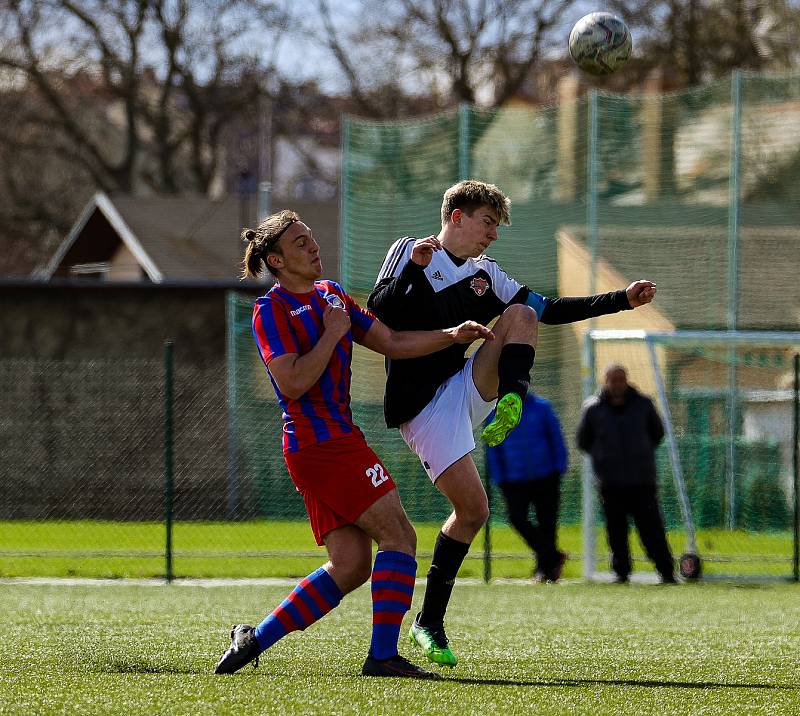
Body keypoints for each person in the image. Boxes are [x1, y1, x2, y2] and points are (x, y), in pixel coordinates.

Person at [367, 179, 657, 667]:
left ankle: (513, 400)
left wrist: (620, 300)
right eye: (487, 223)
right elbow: (379, 314)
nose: (493, 235)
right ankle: (427, 621)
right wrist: (414, 271)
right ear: (456, 217)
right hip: (423, 405)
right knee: (474, 510)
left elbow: (547, 310)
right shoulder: (411, 252)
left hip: (468, 383)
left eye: (497, 227)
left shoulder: (486, 275)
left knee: (521, 313)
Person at [214, 209, 493, 678]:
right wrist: (331, 333)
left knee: (350, 565)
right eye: (300, 243)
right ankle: (382, 656)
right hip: (320, 444)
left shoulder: (333, 296)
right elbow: (294, 382)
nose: (313, 246)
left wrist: (451, 335)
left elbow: (394, 342)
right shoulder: (271, 310)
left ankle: (255, 637)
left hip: (331, 442)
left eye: (310, 237)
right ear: (277, 261)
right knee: (400, 537)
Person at [576, 363, 677, 584]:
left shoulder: (643, 404)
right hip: (610, 483)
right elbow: (583, 441)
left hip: (642, 481)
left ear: (627, 380)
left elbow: (657, 434)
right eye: (613, 380)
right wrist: (604, 459)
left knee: (652, 529)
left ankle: (666, 571)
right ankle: (621, 573)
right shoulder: (593, 409)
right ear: (605, 381)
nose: (617, 385)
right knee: (616, 531)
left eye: (621, 380)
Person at [485, 392, 568, 583]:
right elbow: (493, 446)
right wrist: (500, 477)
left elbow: (556, 437)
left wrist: (559, 467)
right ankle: (552, 556)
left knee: (547, 523)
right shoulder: (496, 412)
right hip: (513, 479)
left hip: (546, 475)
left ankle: (545, 569)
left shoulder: (541, 406)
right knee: (517, 518)